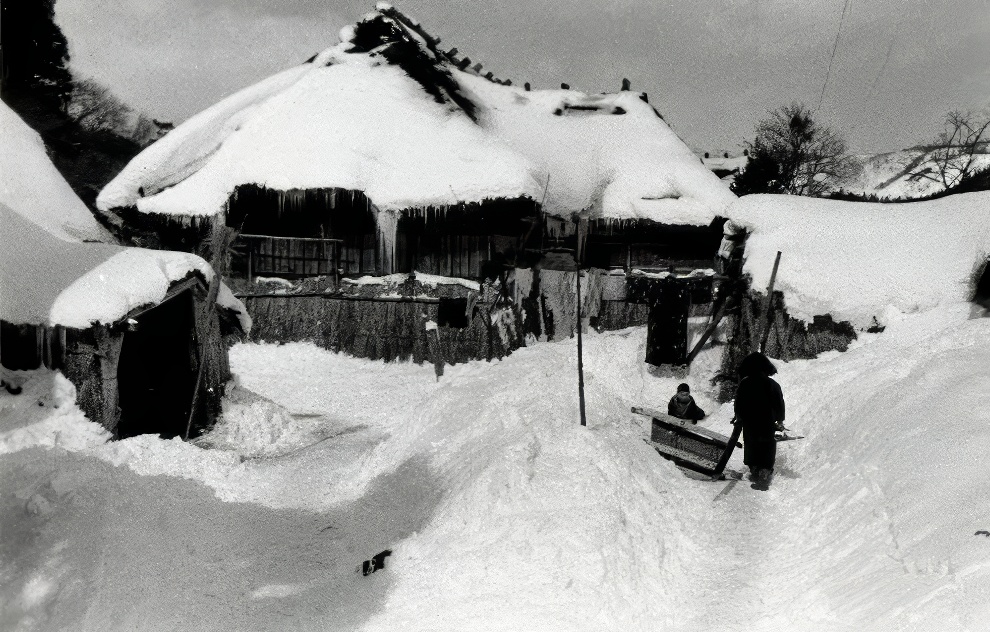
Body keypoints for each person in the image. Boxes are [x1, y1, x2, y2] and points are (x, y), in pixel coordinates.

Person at [733, 352, 786, 491]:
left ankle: (754, 468)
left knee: (751, 444)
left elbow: (739, 402)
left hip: (750, 421)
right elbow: (779, 403)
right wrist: (780, 420)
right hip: (768, 422)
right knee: (767, 445)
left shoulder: (745, 383)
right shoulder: (773, 384)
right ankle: (764, 471)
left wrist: (738, 417)